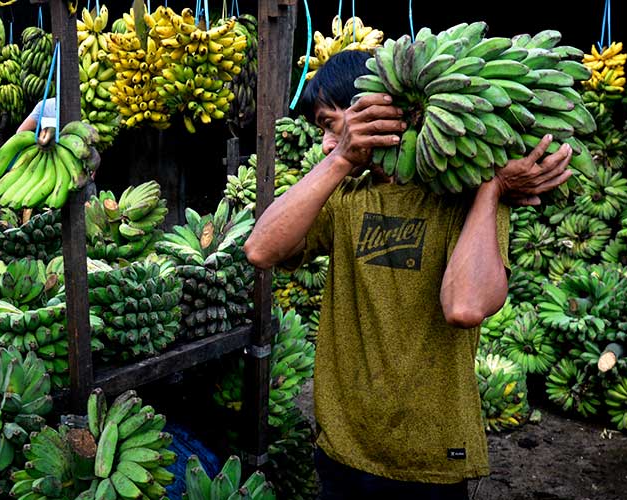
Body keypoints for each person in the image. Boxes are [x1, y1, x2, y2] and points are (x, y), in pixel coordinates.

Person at [243, 51, 573, 499]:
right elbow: (261, 249)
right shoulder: (346, 196)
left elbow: (465, 306)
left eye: (327, 123)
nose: (323, 142)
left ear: (373, 106)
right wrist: (341, 158)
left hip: (431, 458)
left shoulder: (466, 199)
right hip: (342, 446)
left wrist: (492, 189)